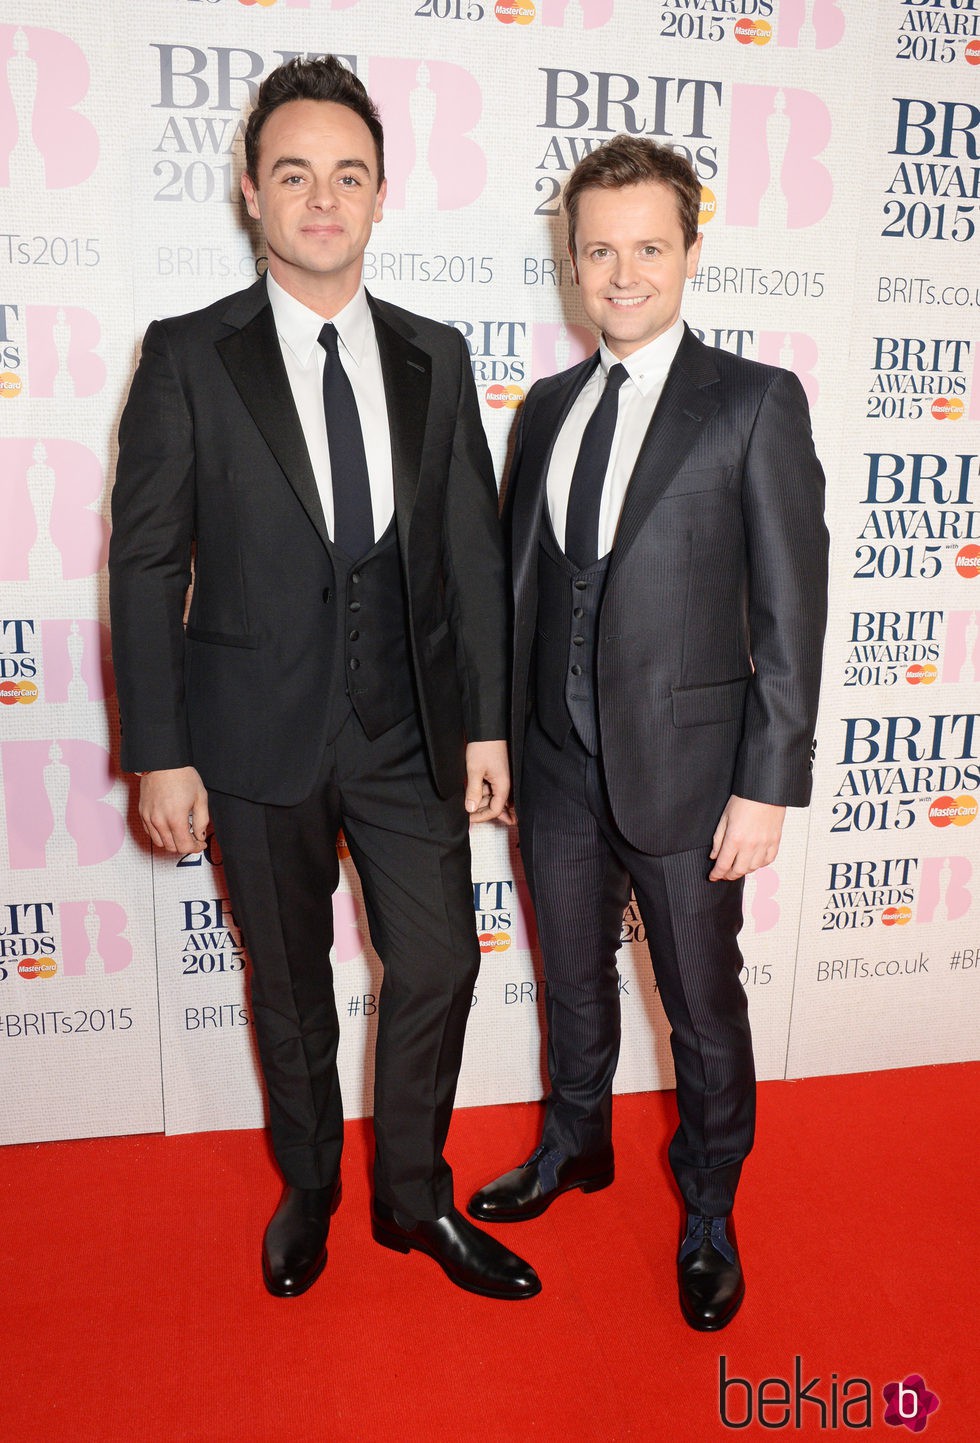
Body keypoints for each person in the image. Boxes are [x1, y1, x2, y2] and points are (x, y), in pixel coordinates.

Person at [108, 56, 539, 1303]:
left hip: (406, 727)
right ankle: (310, 1187)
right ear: (250, 190)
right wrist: (160, 747)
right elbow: (143, 558)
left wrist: (485, 727)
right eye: (293, 173)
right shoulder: (190, 355)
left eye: (347, 174)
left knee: (442, 964)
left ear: (381, 195)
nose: (321, 198)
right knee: (289, 989)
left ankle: (414, 1194)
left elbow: (469, 548)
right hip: (247, 736)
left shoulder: (434, 355)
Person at [468, 136, 828, 1329]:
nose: (622, 273)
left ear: (688, 251)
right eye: (598, 250)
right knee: (572, 987)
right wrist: (506, 742)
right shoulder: (550, 408)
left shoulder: (754, 402)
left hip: (689, 776)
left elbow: (788, 610)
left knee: (701, 1008)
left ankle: (711, 1210)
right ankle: (575, 1144)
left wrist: (765, 786)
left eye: (647, 248)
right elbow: (524, 592)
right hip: (556, 769)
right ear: (570, 263)